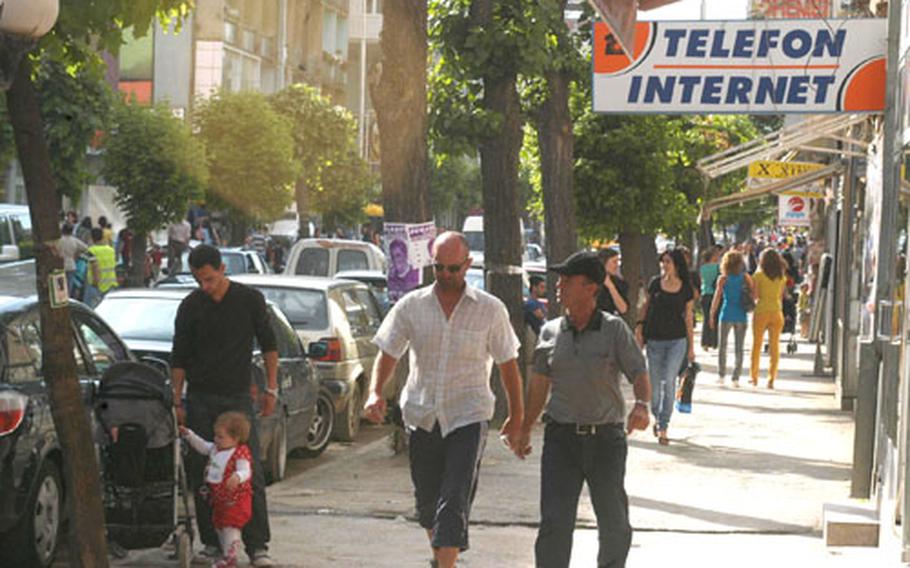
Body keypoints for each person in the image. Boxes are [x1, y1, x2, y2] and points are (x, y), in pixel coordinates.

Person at [363, 231, 525, 568]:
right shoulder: (412, 305)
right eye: (439, 268)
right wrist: (375, 391)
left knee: (453, 497)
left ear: (468, 264)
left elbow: (509, 365)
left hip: (468, 414)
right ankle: (442, 558)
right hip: (422, 414)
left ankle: (446, 563)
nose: (446, 276)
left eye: (453, 268)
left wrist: (517, 417)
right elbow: (389, 351)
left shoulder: (490, 310)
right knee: (427, 504)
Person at [518, 251, 650, 568]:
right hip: (561, 439)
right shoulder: (550, 331)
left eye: (567, 280)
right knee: (554, 523)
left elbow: (639, 371)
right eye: (559, 280)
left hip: (605, 440)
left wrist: (642, 405)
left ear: (591, 287)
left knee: (614, 524)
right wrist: (524, 427)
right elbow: (539, 383)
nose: (559, 286)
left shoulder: (614, 329)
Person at [171, 245, 278, 567]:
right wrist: (178, 400)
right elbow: (179, 357)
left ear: (221, 270)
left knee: (249, 472)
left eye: (209, 279)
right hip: (201, 397)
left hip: (237, 398)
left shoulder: (249, 300)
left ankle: (257, 546)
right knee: (207, 474)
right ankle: (213, 544)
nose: (206, 286)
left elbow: (269, 344)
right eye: (199, 280)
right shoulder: (190, 306)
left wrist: (271, 388)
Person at [635, 249, 694, 446]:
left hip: (677, 340)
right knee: (654, 383)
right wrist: (640, 328)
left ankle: (663, 425)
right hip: (655, 340)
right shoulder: (655, 284)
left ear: (676, 264)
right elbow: (645, 306)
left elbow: (689, 317)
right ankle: (657, 414)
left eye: (668, 262)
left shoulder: (685, 288)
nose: (665, 265)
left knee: (669, 380)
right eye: (663, 262)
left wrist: (691, 347)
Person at [181, 412, 253, 568]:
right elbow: (202, 446)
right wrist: (189, 435)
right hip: (220, 499)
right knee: (220, 526)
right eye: (216, 436)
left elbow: (246, 471)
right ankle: (226, 553)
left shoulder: (239, 453)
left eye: (221, 437)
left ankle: (230, 557)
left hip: (236, 500)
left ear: (235, 438)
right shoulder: (216, 448)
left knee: (230, 527)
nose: (216, 440)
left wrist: (238, 476)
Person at [709, 250, 752, 387]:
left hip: (726, 313)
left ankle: (721, 375)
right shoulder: (745, 277)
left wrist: (711, 314)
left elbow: (717, 297)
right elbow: (753, 293)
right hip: (741, 315)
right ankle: (736, 378)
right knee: (739, 348)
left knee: (723, 347)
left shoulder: (723, 278)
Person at [751, 248, 787, 389]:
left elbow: (755, 296)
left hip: (761, 311)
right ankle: (771, 378)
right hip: (777, 312)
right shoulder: (781, 276)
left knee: (757, 345)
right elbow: (780, 296)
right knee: (775, 346)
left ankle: (754, 377)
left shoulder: (758, 276)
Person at [84, 227, 118, 307]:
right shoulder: (111, 250)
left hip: (96, 286)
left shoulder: (92, 251)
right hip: (110, 285)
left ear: (92, 238)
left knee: (90, 311)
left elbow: (95, 268)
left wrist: (95, 283)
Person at [596, 248, 629, 317]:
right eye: (614, 262)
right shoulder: (590, 281)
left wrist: (611, 286)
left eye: (618, 261)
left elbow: (623, 309)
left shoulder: (619, 283)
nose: (617, 265)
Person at [699, 248, 720, 349]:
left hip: (705, 294)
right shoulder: (718, 267)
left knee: (706, 318)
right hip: (715, 294)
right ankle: (714, 341)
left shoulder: (702, 268)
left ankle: (705, 342)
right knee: (715, 318)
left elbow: (701, 280)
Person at [58, 223, 87, 297]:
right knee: (69, 285)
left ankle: (62, 297)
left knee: (61, 286)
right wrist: (77, 253)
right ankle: (69, 298)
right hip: (71, 265)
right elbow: (85, 248)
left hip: (61, 265)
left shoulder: (59, 241)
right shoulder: (74, 240)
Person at [387, 237, 420, 303]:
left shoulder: (416, 275)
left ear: (405, 255)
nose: (395, 260)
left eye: (398, 255)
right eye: (392, 256)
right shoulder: (391, 277)